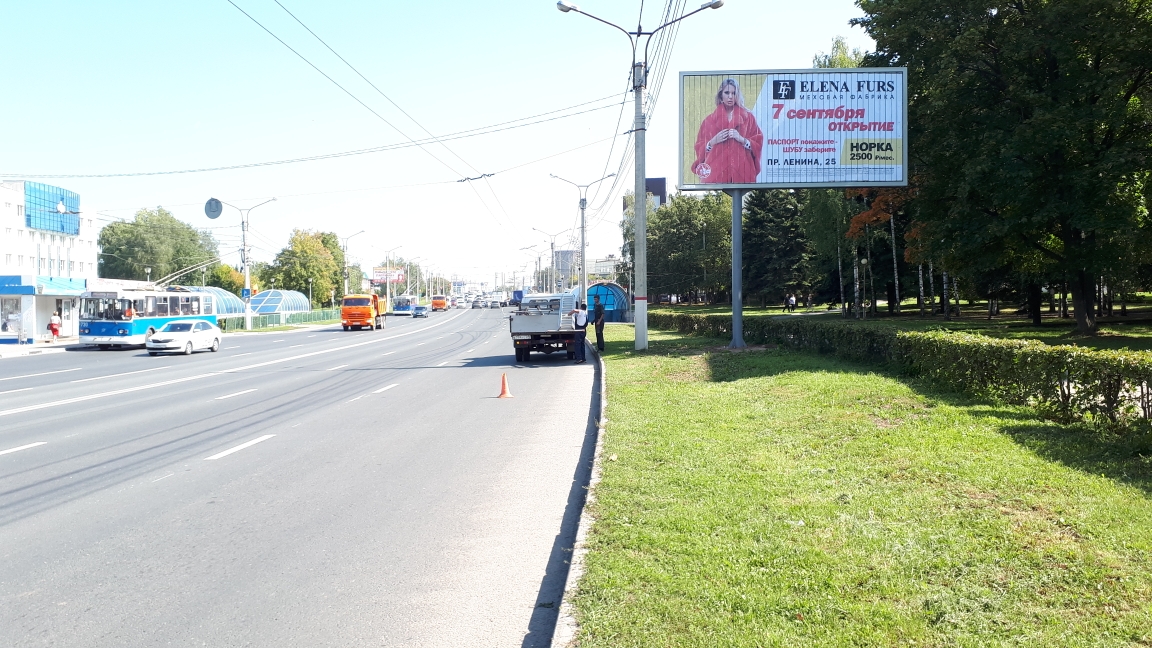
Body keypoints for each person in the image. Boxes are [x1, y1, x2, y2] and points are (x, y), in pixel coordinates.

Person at [691, 78, 764, 184]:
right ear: (721, 95)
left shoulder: (749, 118)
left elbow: (758, 141)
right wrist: (712, 142)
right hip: (715, 175)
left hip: (743, 173)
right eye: (727, 93)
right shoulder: (709, 121)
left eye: (734, 93)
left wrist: (742, 139)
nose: (730, 96)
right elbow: (699, 146)